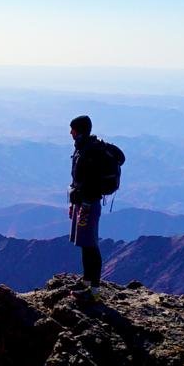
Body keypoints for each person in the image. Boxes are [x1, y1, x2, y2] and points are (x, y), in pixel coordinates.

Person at [67, 115, 111, 286]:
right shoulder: (82, 149)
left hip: (88, 204)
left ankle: (93, 287)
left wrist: (83, 203)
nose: (71, 132)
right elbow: (77, 180)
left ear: (80, 131)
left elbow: (89, 183)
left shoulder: (90, 152)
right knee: (85, 243)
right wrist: (73, 203)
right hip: (82, 203)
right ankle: (87, 281)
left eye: (73, 129)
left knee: (89, 244)